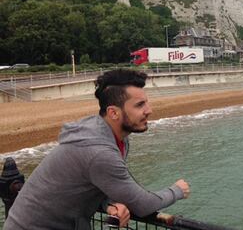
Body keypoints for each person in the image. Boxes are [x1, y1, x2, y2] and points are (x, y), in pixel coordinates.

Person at [4, 69, 190, 230]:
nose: (149, 110)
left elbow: (91, 180)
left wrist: (108, 203)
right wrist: (177, 190)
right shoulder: (99, 152)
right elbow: (144, 204)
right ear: (113, 112)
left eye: (146, 102)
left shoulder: (115, 138)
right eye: (140, 105)